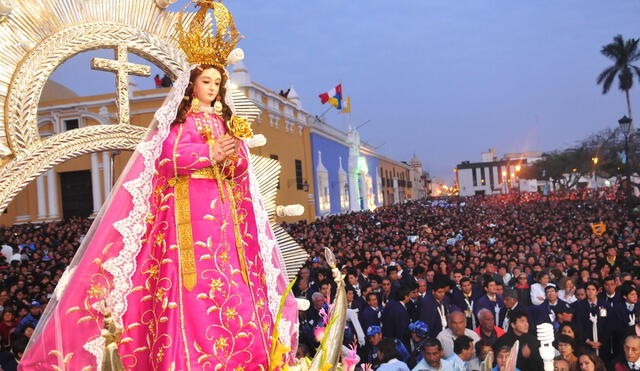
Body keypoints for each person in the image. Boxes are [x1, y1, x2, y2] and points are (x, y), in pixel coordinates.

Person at [20, 3, 299, 369]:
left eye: (217, 83)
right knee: (190, 288)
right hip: (189, 214)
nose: (212, 88)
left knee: (232, 285)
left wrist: (233, 157)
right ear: (191, 85)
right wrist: (209, 153)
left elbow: (241, 168)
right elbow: (167, 160)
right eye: (206, 82)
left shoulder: (228, 124)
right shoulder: (177, 125)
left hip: (224, 220)